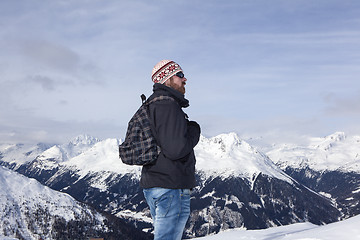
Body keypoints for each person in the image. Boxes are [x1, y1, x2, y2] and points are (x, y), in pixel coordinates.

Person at [141, 60, 201, 240]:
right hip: (170, 187)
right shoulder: (167, 105)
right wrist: (194, 130)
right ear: (167, 78)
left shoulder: (156, 104)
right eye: (180, 75)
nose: (185, 79)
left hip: (159, 183)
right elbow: (176, 149)